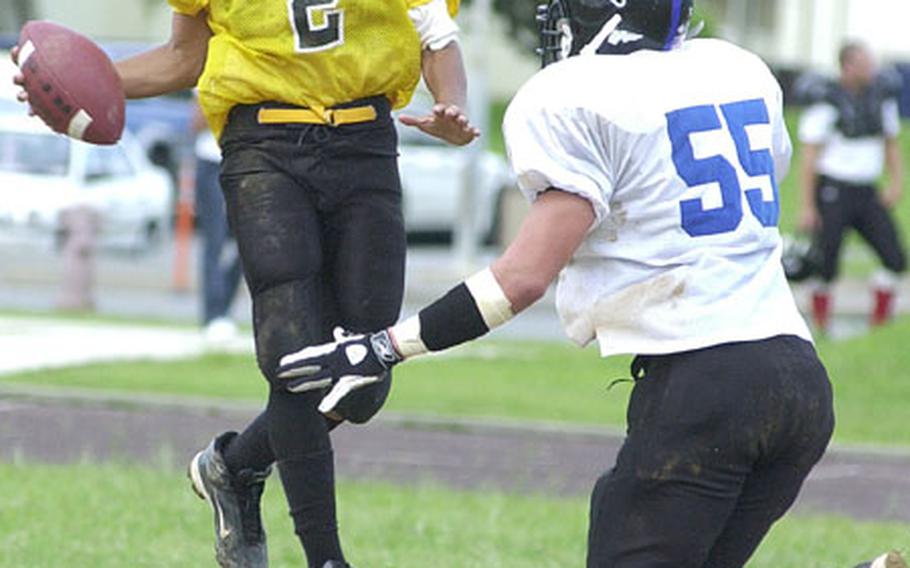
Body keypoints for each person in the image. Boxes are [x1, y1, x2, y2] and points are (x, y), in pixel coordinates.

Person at [276, 1, 839, 566]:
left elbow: (521, 280)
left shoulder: (580, 95)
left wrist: (384, 346)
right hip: (799, 381)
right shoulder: (733, 68)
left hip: (704, 384)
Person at [15, 2, 479, 567]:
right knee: (296, 357)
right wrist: (75, 85)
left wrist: (452, 105)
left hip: (366, 144)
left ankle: (233, 468)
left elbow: (437, 38)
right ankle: (326, 558)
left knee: (362, 382)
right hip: (263, 144)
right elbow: (185, 57)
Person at [798, 41, 906, 332]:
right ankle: (822, 325)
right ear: (847, 66)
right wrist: (807, 205)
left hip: (866, 191)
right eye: (863, 63)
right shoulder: (826, 101)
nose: (871, 69)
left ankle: (879, 323)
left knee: (894, 257)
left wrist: (896, 181)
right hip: (833, 190)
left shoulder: (879, 98)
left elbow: (890, 143)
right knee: (826, 262)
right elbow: (809, 157)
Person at [191, 97, 243, 344]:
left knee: (247, 242)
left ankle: (224, 310)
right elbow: (197, 121)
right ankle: (213, 315)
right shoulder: (208, 70)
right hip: (212, 159)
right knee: (215, 240)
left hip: (245, 158)